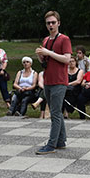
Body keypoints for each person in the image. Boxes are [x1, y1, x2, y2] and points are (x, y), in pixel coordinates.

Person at [36, 10, 72, 152]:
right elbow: (45, 61)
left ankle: (51, 144)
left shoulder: (64, 39)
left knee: (55, 114)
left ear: (58, 23)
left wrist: (49, 52)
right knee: (56, 112)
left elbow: (67, 59)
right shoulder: (46, 40)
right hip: (48, 80)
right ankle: (61, 141)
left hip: (59, 81)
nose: (50, 25)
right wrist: (40, 55)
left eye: (53, 22)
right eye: (48, 23)